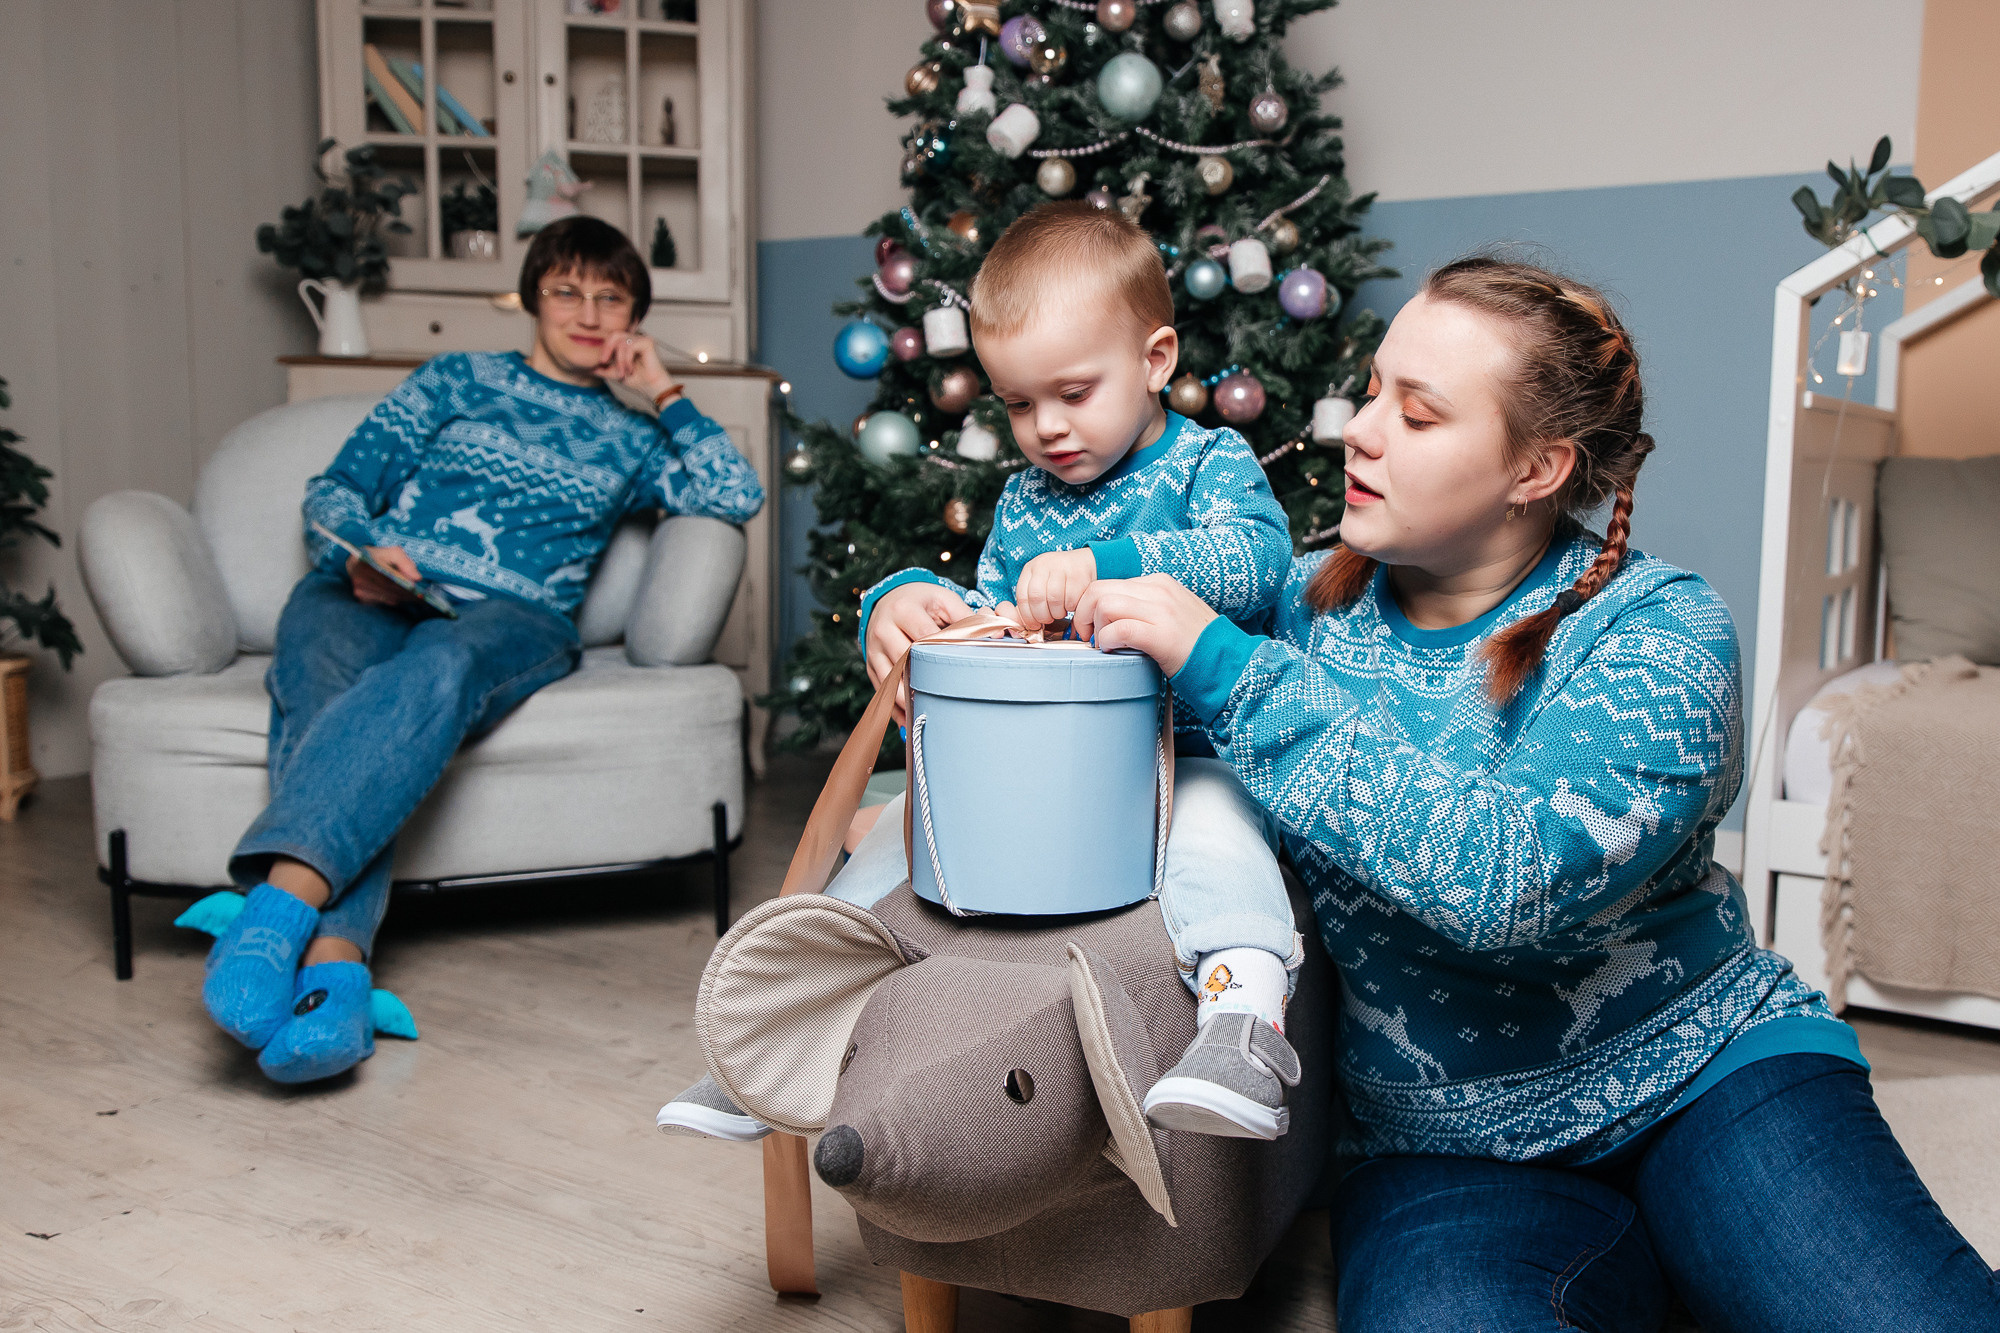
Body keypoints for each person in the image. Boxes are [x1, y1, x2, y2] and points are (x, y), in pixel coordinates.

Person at [1058, 256, 2000, 1330]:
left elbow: (1503, 881)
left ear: (1535, 466)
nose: (1357, 430)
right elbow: (1064, 626)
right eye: (1371, 391)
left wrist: (1225, 668)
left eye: (1414, 415)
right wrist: (904, 609)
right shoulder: (1290, 612)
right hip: (1441, 1151)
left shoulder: (1663, 634)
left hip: (1708, 1078)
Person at [658, 202, 1304, 1144]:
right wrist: (910, 598)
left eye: (1075, 393)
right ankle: (780, 1036)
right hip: (1044, 767)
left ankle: (1243, 1022)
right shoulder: (1023, 499)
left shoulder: (1210, 463)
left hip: (1192, 751)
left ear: (1156, 359)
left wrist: (1111, 565)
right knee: (889, 844)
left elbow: (1258, 563)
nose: (1046, 427)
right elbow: (990, 612)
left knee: (1214, 832)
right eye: (1017, 403)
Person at [197, 216, 764, 1086]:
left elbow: (735, 491)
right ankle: (336, 975)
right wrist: (360, 553)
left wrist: (665, 392)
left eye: (610, 298)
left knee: (441, 668)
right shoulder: (456, 379)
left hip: (514, 618)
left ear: (634, 320)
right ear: (534, 293)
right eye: (566, 289)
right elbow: (337, 488)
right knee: (323, 693)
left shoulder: (633, 436)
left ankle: (275, 913)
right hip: (372, 586)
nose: (586, 311)